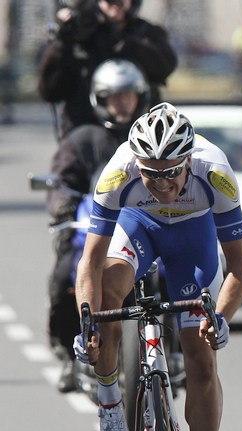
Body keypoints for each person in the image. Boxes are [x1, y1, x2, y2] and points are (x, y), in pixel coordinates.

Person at [74, 102, 242, 431]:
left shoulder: (215, 174)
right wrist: (86, 321)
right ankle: (111, 401)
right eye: (151, 174)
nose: (162, 183)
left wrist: (221, 319)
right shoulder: (118, 174)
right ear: (137, 163)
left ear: (189, 159)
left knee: (201, 361)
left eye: (171, 172)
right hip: (139, 229)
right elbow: (90, 262)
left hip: (193, 242)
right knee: (110, 289)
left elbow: (239, 267)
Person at [46, 58, 150, 393]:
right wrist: (62, 207)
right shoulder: (82, 139)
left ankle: (175, 348)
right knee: (66, 276)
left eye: (127, 96)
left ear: (139, 97)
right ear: (99, 99)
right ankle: (69, 350)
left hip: (143, 230)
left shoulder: (149, 137)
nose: (121, 103)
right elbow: (61, 182)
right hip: (95, 229)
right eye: (113, 96)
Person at [38, 0, 176, 138]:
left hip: (141, 134)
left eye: (121, 2)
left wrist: (127, 44)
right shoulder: (80, 35)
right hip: (85, 135)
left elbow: (164, 67)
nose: (115, 6)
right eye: (109, 2)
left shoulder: (146, 33)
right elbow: (50, 91)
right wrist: (63, 42)